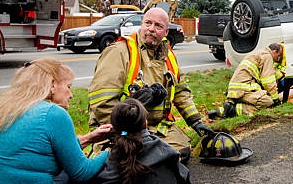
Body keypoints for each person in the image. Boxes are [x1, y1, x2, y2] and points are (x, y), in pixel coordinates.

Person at [87, 8, 213, 162]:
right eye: (148, 23)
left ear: (166, 32)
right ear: (141, 24)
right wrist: (128, 126)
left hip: (156, 127)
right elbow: (102, 103)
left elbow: (180, 91)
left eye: (158, 26)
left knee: (180, 153)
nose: (151, 29)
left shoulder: (168, 56)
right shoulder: (119, 52)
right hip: (121, 129)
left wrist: (195, 121)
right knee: (132, 163)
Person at [73, 99, 197, 184]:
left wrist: (86, 140)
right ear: (145, 123)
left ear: (113, 127)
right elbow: (184, 183)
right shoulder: (163, 152)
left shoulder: (105, 161)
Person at [208, 43, 291, 119]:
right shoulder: (267, 56)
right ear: (275, 51)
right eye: (278, 56)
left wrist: (282, 75)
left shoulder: (259, 53)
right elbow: (268, 81)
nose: (277, 59)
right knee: (268, 102)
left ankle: (223, 110)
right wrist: (275, 99)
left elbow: (270, 73)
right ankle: (233, 110)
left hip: (235, 90)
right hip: (244, 90)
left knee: (262, 98)